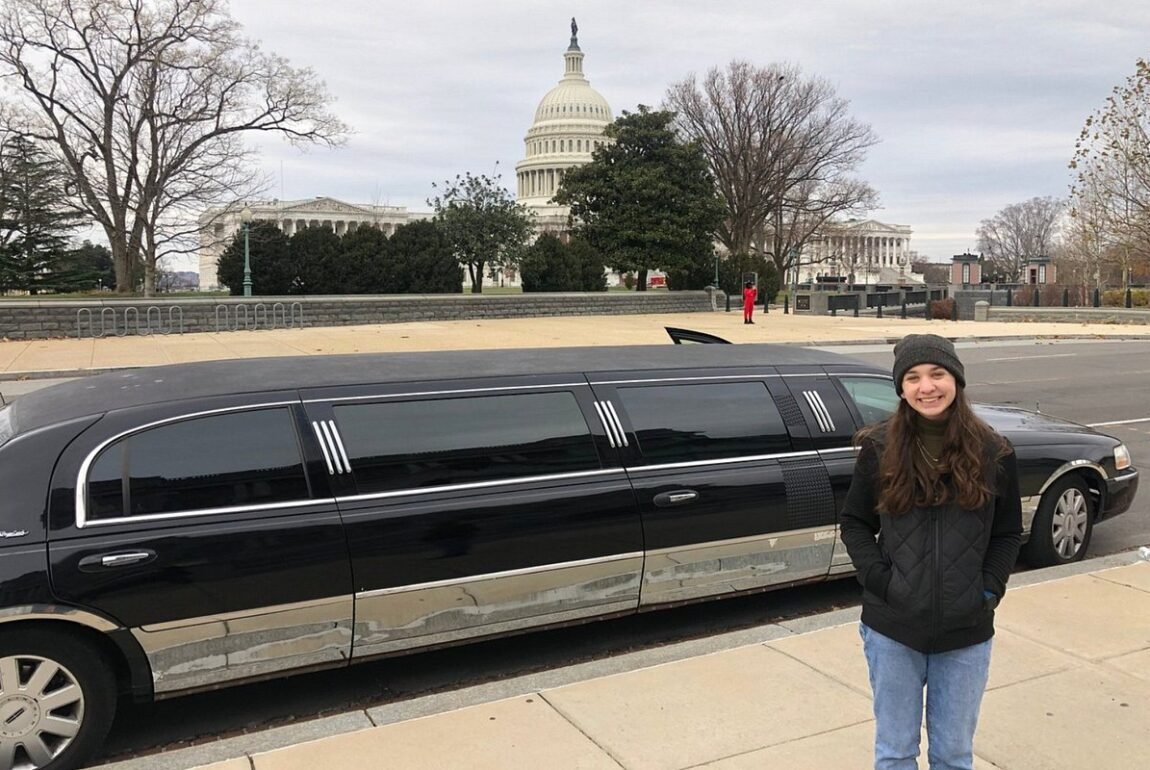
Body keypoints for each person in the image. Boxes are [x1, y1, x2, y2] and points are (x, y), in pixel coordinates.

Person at [840, 334, 1021, 770]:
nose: (927, 387)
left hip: (966, 633)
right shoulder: (880, 448)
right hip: (892, 630)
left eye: (937, 374)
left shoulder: (993, 451)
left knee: (953, 755)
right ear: (901, 388)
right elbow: (855, 523)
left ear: (956, 380)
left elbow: (1008, 533)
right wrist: (883, 582)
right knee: (896, 752)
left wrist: (988, 590)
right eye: (914, 377)